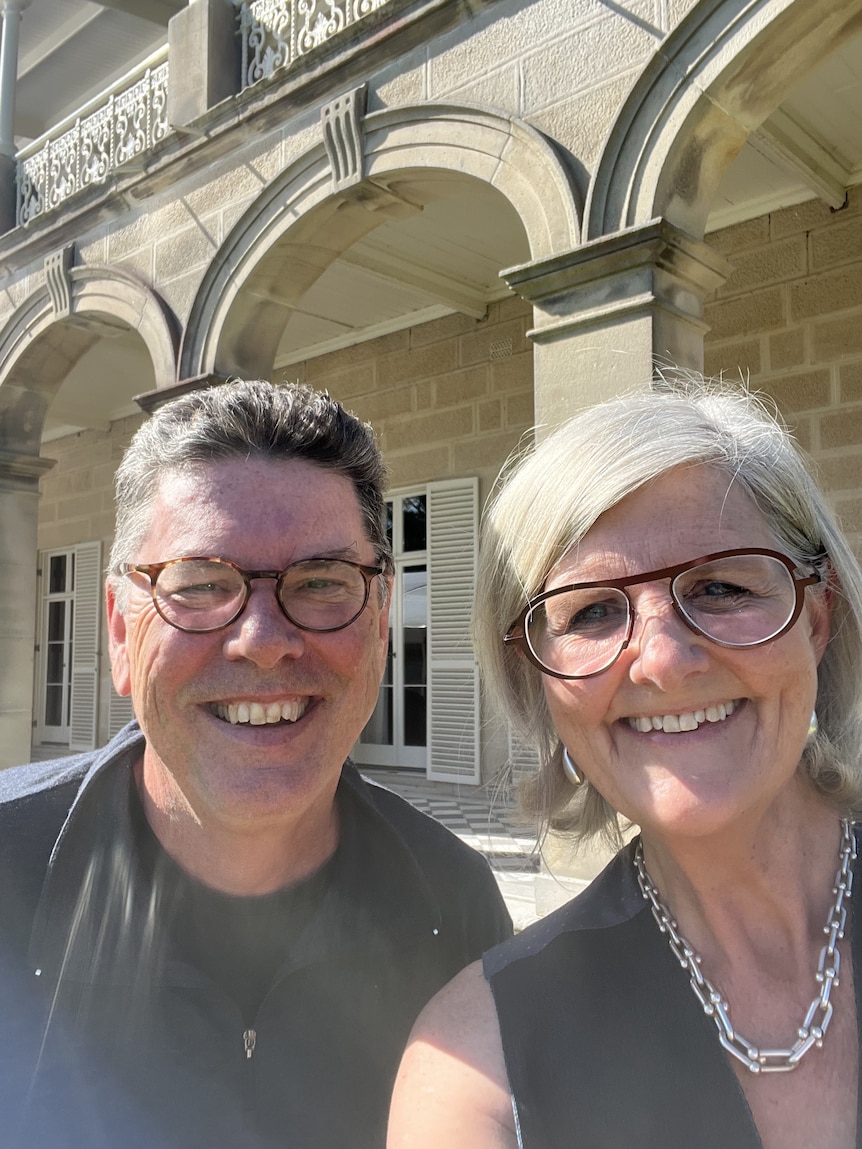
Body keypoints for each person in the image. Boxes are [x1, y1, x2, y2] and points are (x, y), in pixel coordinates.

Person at [0, 379, 511, 1149]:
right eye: (201, 585)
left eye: (322, 583)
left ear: (380, 625)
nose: (263, 638)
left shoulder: (455, 905)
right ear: (116, 631)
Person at [388, 376, 862, 1149]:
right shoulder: (480, 1062)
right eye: (594, 611)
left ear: (816, 618)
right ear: (540, 686)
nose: (665, 662)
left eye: (720, 585)